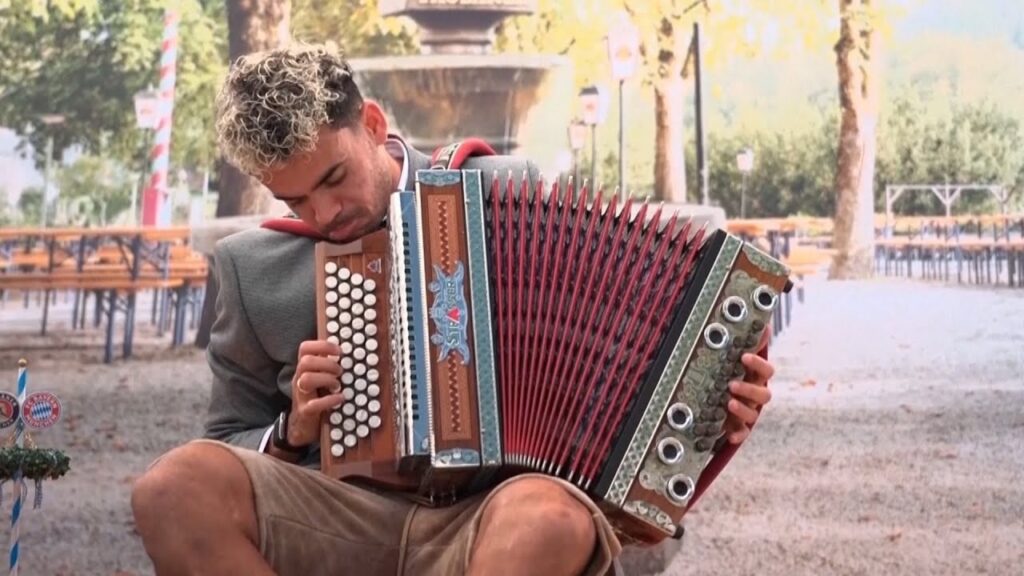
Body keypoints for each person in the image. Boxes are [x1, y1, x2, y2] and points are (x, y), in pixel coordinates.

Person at [130, 43, 776, 576]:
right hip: (339, 516)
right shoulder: (252, 267)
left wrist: (714, 396)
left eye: (332, 178)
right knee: (172, 489)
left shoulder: (504, 192)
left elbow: (625, 358)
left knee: (548, 518)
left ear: (375, 126)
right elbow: (227, 438)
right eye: (294, 201)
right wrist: (292, 430)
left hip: (494, 517)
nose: (323, 216)